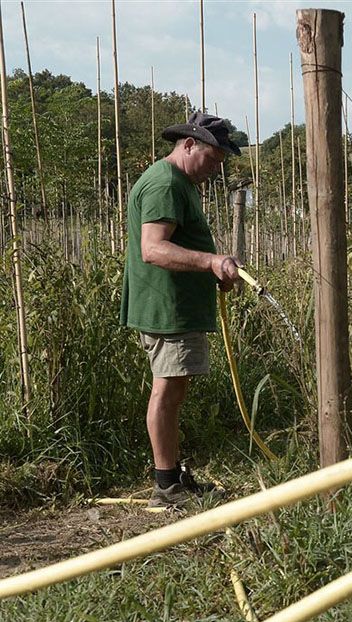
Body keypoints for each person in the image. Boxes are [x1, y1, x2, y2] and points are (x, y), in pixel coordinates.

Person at [120, 111, 243, 507]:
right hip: (165, 306)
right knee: (167, 391)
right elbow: (153, 249)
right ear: (189, 145)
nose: (215, 169)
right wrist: (209, 262)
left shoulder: (182, 182)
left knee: (174, 389)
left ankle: (171, 475)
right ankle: (166, 486)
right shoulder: (164, 184)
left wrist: (212, 267)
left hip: (176, 305)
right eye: (212, 159)